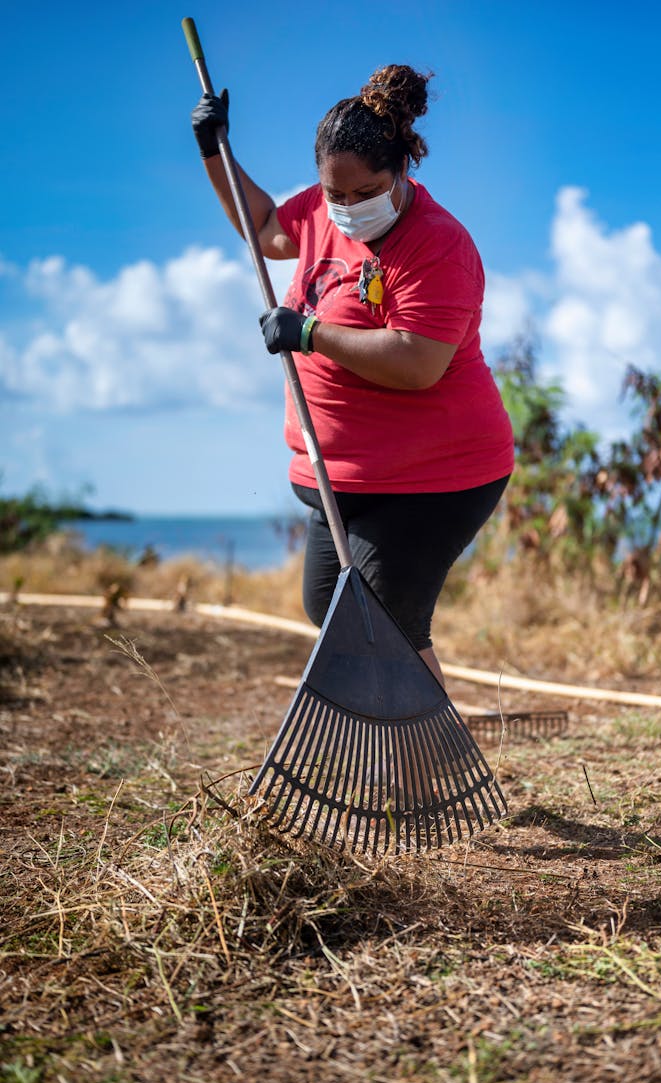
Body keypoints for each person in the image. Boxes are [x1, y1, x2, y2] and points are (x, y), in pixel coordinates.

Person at [191, 65, 514, 686]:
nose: (344, 208)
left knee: (388, 619)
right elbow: (263, 229)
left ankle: (428, 768)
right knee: (328, 605)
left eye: (363, 192)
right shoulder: (320, 211)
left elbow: (418, 362)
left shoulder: (437, 244)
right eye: (332, 193)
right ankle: (393, 744)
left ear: (401, 174)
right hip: (339, 472)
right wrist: (215, 151)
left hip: (434, 475)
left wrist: (310, 333)